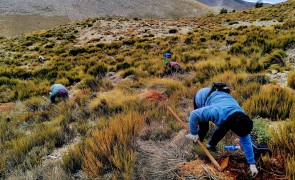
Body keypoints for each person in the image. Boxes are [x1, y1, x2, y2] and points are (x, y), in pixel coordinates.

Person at [186, 82, 258, 178]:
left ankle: (210, 146)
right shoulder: (216, 111)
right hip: (202, 97)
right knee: (204, 128)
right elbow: (194, 114)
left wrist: (252, 164)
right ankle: (195, 149)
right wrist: (193, 133)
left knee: (223, 128)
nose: (241, 137)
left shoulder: (241, 118)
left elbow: (246, 141)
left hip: (221, 101)